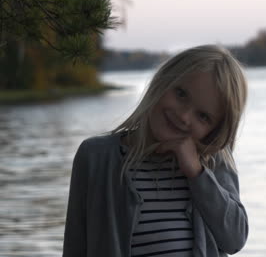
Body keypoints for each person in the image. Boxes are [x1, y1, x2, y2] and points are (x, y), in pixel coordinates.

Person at [62, 45, 249, 257]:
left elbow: (234, 239)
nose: (184, 116)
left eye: (203, 116)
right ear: (162, 81)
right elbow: (75, 247)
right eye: (181, 94)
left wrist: (197, 174)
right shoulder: (96, 157)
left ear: (214, 131)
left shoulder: (213, 161)